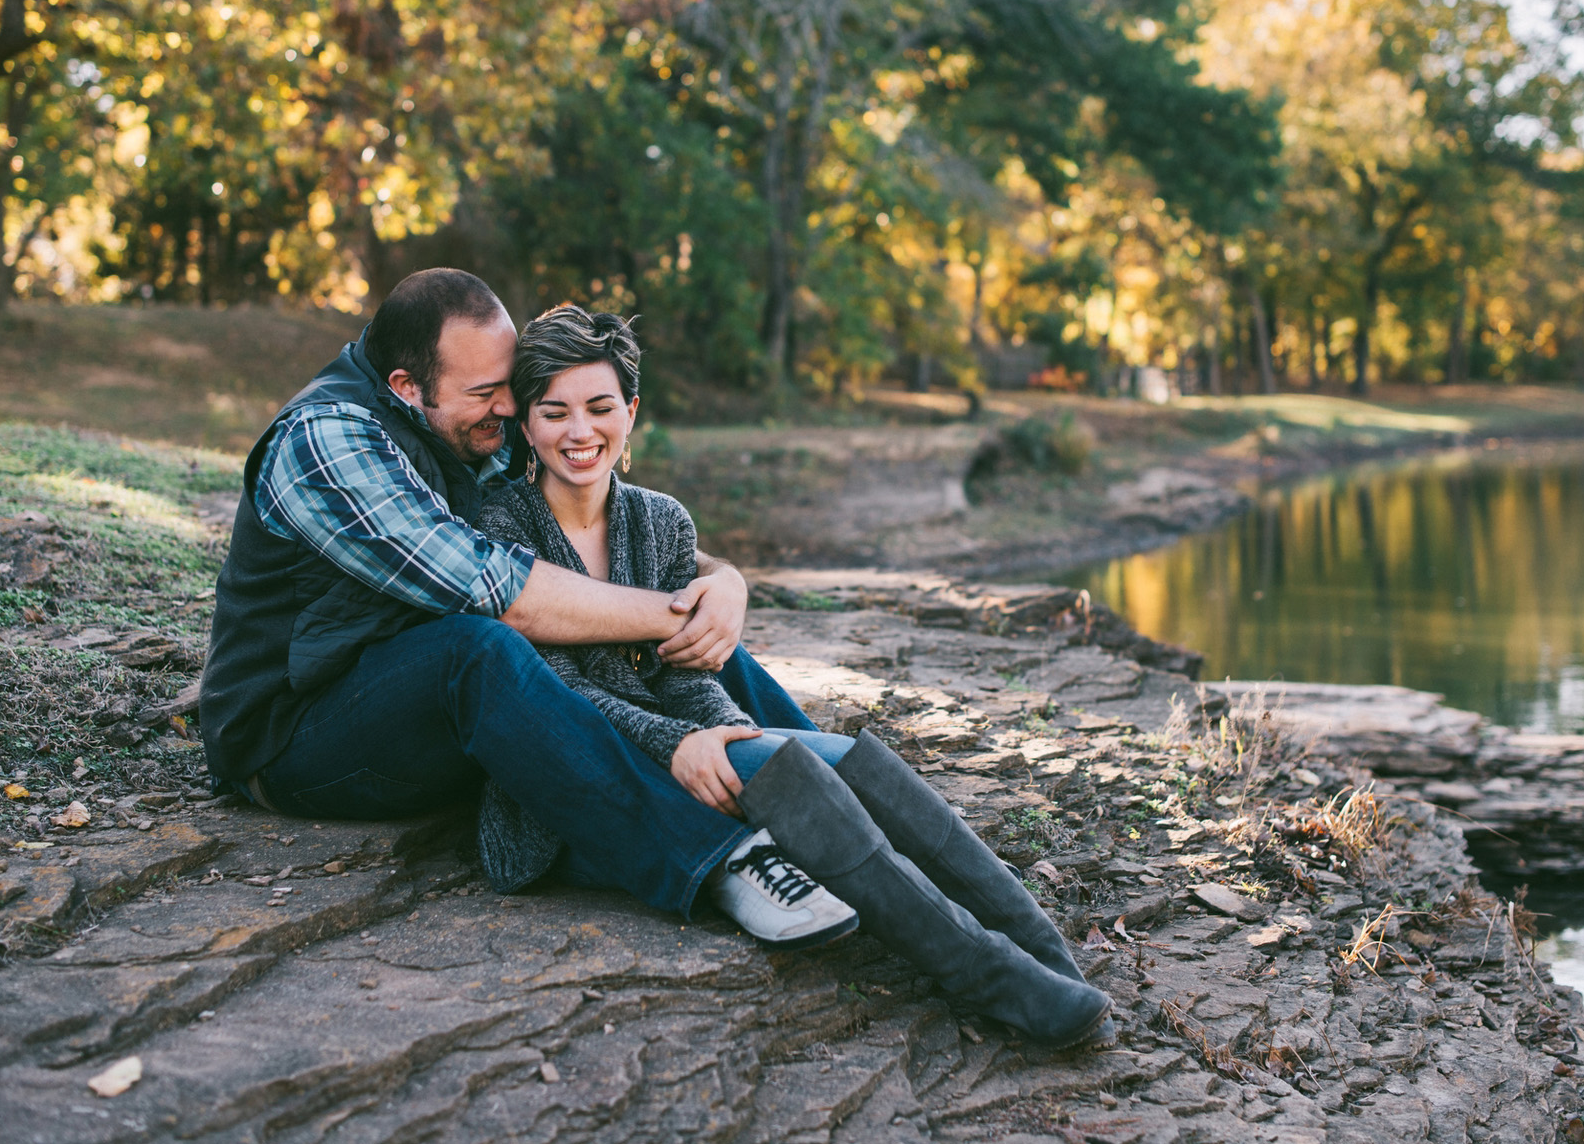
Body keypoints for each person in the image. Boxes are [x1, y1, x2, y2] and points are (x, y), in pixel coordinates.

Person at [473, 305, 1116, 1050]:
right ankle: (985, 974)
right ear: (526, 426)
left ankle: (1043, 953)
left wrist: (718, 727)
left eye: (598, 407)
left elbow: (689, 668)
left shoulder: (662, 522)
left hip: (676, 746)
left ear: (632, 412)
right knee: (785, 761)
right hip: (578, 796)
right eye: (554, 412)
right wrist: (690, 742)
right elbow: (553, 697)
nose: (579, 432)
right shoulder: (502, 530)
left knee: (850, 758)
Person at [196, 268, 851, 949]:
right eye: (485, 393)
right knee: (477, 650)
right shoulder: (324, 443)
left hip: (428, 710)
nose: (509, 407)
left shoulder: (472, 420)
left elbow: (601, 540)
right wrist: (676, 610)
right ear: (405, 387)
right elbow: (501, 593)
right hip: (296, 738)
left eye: (509, 385)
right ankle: (721, 861)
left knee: (692, 641)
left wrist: (718, 583)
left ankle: (837, 800)